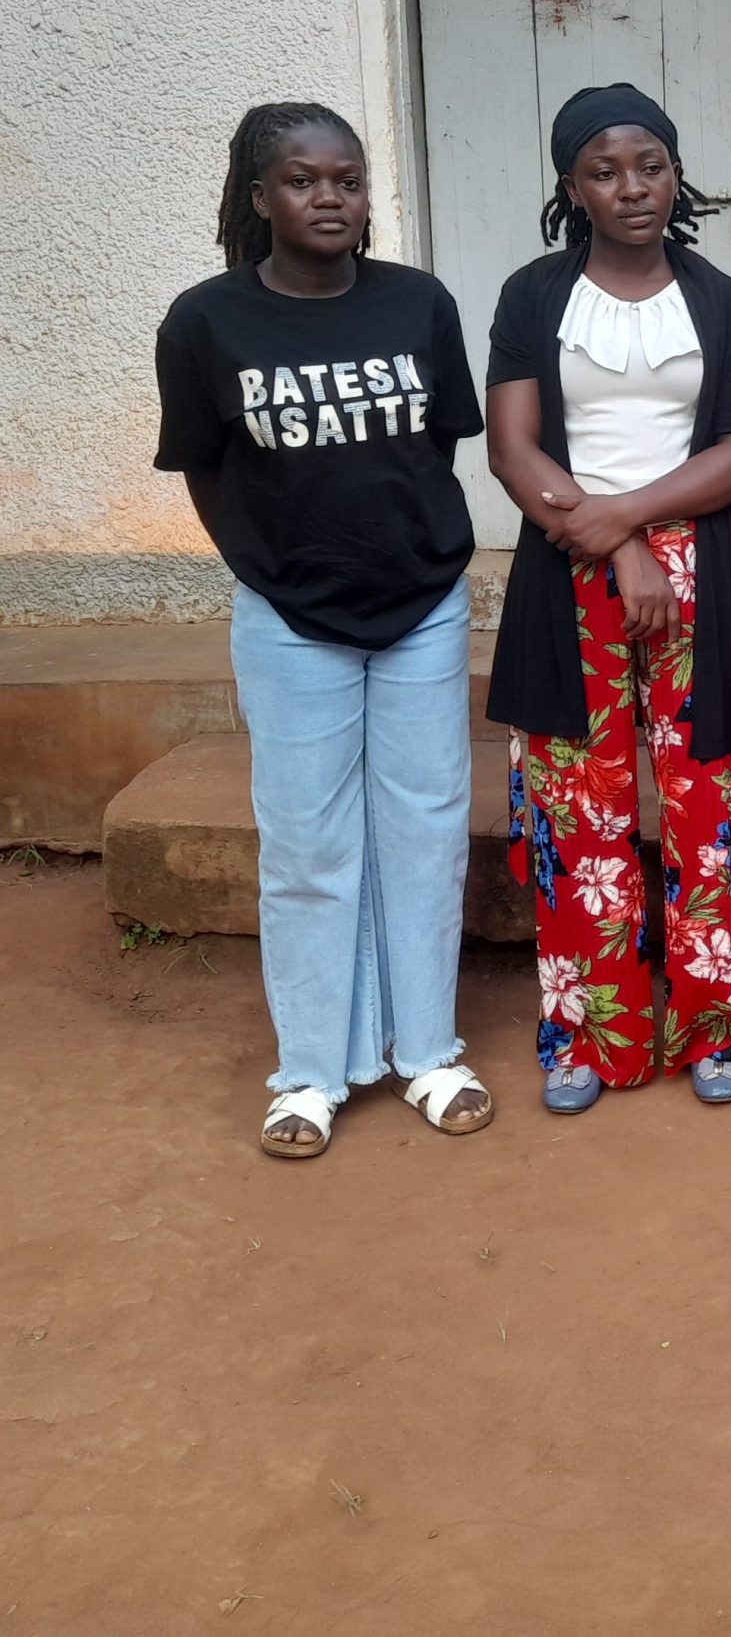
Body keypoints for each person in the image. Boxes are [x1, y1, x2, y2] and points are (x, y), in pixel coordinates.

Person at [154, 104, 492, 1159]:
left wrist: (414, 566)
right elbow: (203, 466)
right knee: (307, 844)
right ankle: (308, 1072)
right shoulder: (206, 323)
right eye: (304, 181)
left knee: (426, 830)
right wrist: (267, 568)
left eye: (346, 178)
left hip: (421, 608)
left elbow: (437, 445)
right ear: (261, 198)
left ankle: (428, 1052)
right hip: (290, 615)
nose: (331, 197)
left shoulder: (419, 304)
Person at [484, 84, 731, 1114]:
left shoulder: (720, 300)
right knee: (581, 806)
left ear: (676, 171)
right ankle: (584, 1030)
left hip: (693, 571)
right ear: (572, 187)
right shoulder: (532, 298)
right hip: (567, 573)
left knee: (704, 803)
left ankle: (710, 1026)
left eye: (649, 164)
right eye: (604, 171)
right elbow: (514, 446)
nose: (632, 187)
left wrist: (633, 525)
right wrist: (606, 542)